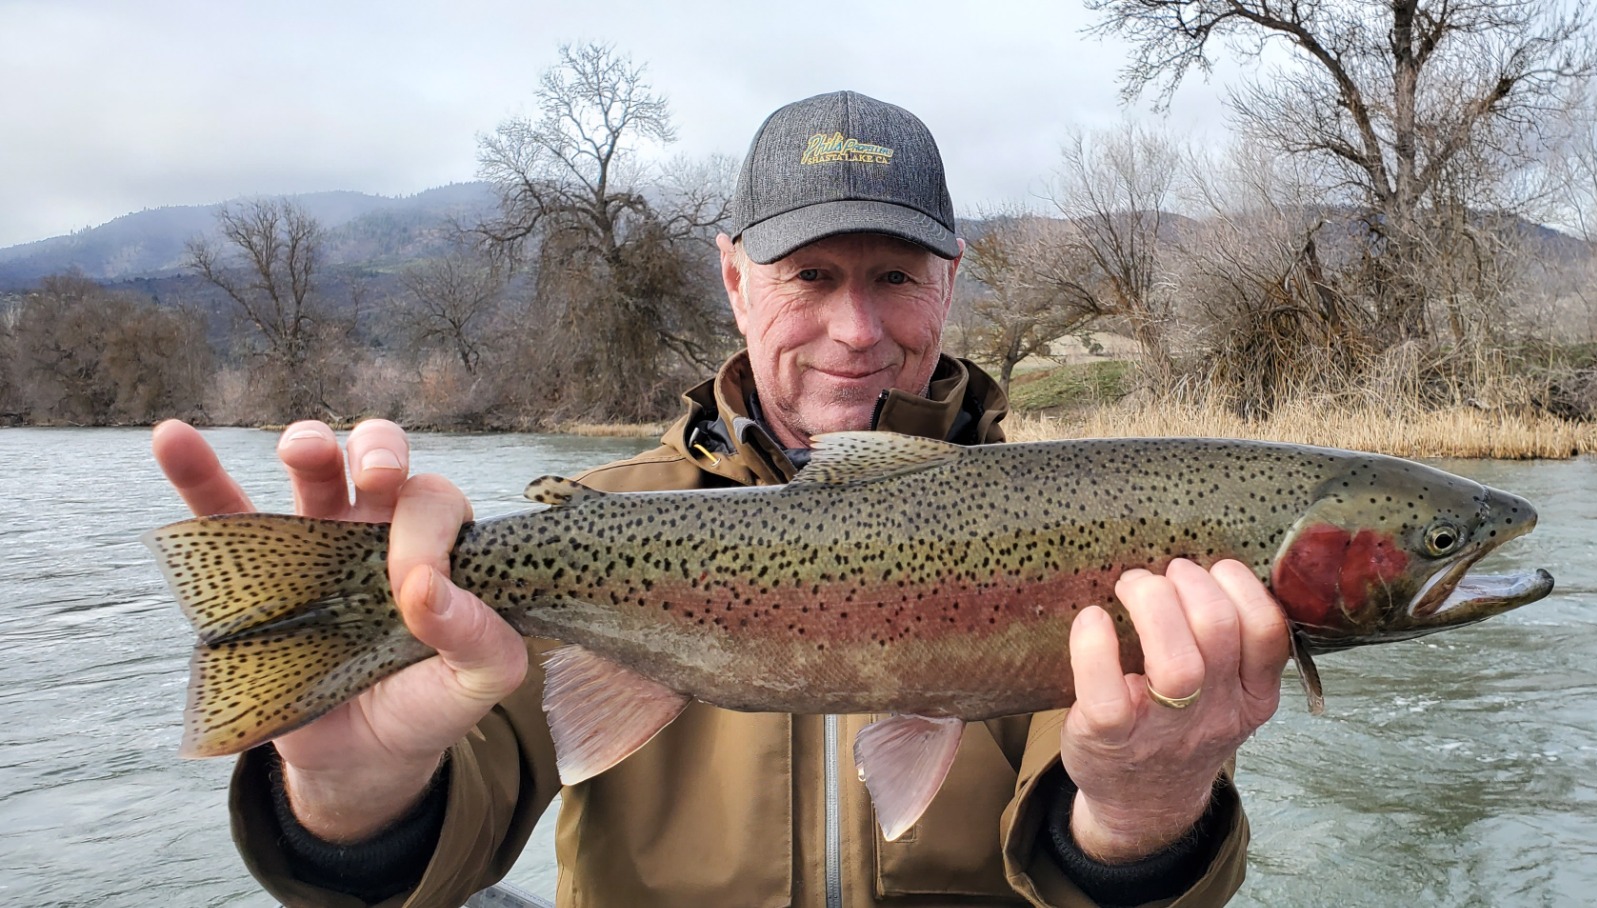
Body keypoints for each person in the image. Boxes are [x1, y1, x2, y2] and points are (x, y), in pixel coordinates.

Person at [153, 91, 1291, 908]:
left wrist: (1141, 817)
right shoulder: (597, 530)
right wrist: (345, 799)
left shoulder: (1084, 524)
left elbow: (1108, 875)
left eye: (893, 277)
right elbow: (429, 847)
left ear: (950, 280)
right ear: (734, 275)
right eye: (812, 277)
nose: (856, 330)